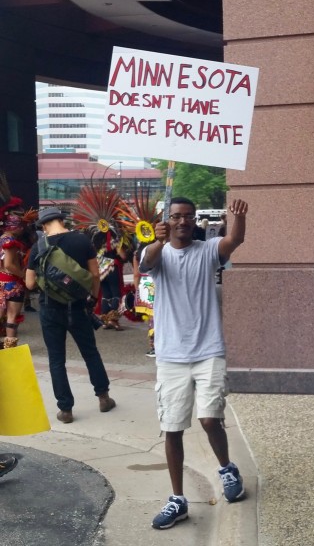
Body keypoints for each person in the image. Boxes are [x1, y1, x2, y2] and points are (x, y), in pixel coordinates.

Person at [140, 196, 248, 530]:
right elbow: (145, 265)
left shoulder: (207, 250)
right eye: (176, 217)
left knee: (209, 418)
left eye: (188, 216)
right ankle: (177, 500)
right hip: (171, 355)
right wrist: (156, 242)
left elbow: (234, 241)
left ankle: (227, 469)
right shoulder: (155, 253)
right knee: (172, 428)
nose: (183, 222)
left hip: (208, 351)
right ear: (167, 220)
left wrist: (239, 218)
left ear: (195, 220)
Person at [25, 206, 116, 424]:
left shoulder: (38, 246)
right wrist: (92, 299)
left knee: (56, 359)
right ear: (61, 220)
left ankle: (65, 410)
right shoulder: (82, 241)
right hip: (77, 306)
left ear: (44, 225)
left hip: (49, 308)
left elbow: (29, 283)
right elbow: (94, 274)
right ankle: (103, 397)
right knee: (90, 352)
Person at [0, 206, 27, 349]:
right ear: (14, 227)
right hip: (12, 284)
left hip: (1, 281)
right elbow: (9, 265)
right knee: (11, 316)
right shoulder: (10, 242)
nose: (22, 229)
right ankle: (10, 348)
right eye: (20, 226)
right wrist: (23, 275)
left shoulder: (1, 239)